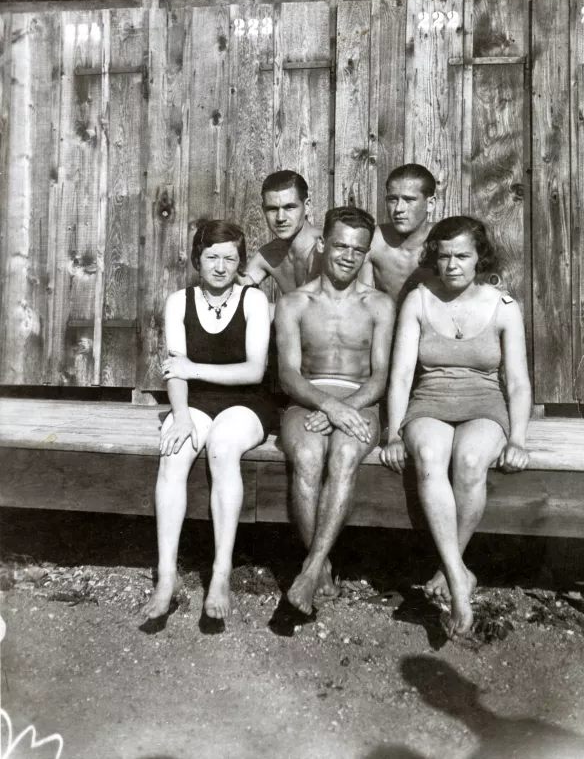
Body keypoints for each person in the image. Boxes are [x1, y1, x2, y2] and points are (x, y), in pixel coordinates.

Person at [380, 216, 531, 638]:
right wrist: (393, 433)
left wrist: (518, 438)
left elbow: (517, 382)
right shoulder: (418, 300)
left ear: (480, 257)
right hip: (429, 401)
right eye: (443, 256)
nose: (452, 265)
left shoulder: (503, 307)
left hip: (485, 403)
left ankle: (449, 572)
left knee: (468, 460)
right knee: (429, 456)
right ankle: (459, 584)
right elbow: (402, 373)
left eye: (462, 256)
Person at [142, 220, 276, 622]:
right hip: (193, 402)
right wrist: (180, 416)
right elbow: (174, 371)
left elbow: (253, 372)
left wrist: (193, 368)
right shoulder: (178, 302)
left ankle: (221, 572)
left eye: (230, 258)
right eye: (212, 257)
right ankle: (167, 575)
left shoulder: (252, 300)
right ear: (198, 259)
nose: (220, 266)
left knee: (222, 447)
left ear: (240, 261)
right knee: (174, 452)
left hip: (246, 403)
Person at [276, 206, 396, 615]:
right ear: (323, 244)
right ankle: (321, 565)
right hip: (306, 401)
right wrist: (327, 406)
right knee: (307, 455)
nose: (348, 255)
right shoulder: (294, 302)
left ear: (365, 255)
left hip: (361, 402)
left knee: (344, 454)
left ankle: (310, 570)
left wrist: (344, 408)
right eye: (341, 245)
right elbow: (288, 375)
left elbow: (380, 377)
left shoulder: (379, 305)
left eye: (358, 250)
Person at [360, 164, 437, 303]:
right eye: (392, 199)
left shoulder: (445, 240)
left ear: (430, 204)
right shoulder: (373, 240)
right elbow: (362, 301)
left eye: (409, 200)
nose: (399, 209)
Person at [241, 170, 322, 294]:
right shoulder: (268, 255)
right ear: (263, 210)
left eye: (289, 207)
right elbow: (237, 295)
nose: (280, 218)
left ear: (307, 206)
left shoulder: (325, 248)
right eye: (272, 209)